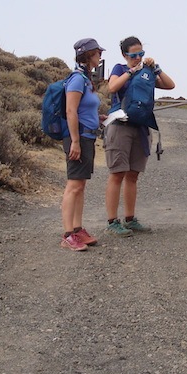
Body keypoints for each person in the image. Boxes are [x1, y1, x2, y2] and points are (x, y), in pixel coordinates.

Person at [104, 36, 175, 237]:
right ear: (124, 55)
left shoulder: (148, 72)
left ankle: (130, 218)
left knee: (133, 175)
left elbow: (170, 85)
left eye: (141, 54)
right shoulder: (119, 69)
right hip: (120, 126)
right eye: (133, 55)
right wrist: (130, 71)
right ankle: (112, 221)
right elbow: (112, 87)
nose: (137, 58)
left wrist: (156, 68)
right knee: (117, 173)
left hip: (141, 127)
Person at [60, 38, 105, 251]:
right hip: (78, 138)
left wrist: (99, 117)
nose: (100, 57)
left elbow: (84, 109)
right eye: (97, 53)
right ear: (88, 55)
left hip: (87, 137)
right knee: (74, 185)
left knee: (81, 185)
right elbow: (71, 111)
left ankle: (78, 229)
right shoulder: (77, 79)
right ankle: (68, 234)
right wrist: (75, 141)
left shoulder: (86, 79)